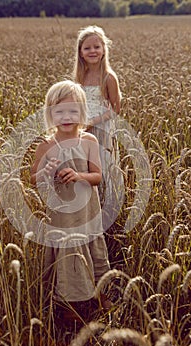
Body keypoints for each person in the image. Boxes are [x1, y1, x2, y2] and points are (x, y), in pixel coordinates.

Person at [30, 80, 112, 324]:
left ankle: (101, 296)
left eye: (73, 111)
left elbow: (97, 176)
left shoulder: (89, 141)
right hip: (62, 215)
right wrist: (46, 172)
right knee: (68, 254)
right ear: (50, 114)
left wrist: (78, 176)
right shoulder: (46, 146)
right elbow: (33, 178)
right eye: (60, 111)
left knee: (93, 249)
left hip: (87, 211)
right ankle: (69, 305)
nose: (67, 116)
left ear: (83, 112)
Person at [72, 25, 124, 232]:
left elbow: (116, 109)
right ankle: (86, 209)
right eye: (87, 48)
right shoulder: (79, 77)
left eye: (97, 47)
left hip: (101, 130)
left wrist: (94, 121)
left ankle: (105, 211)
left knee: (101, 164)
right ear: (80, 52)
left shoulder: (108, 77)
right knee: (83, 165)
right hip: (82, 129)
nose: (92, 51)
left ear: (104, 49)